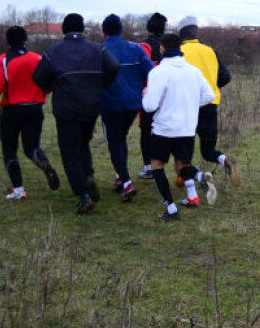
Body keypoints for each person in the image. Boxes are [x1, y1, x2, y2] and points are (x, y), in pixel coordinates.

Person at [32, 13, 120, 214]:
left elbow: (38, 77)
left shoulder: (53, 51)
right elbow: (114, 66)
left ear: (63, 29)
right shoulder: (97, 49)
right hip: (91, 106)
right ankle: (88, 175)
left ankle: (83, 195)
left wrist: (54, 85)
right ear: (83, 29)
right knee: (83, 143)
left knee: (70, 150)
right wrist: (100, 84)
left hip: (66, 108)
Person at [142, 32, 216, 220]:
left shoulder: (157, 72)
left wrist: (145, 94)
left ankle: (171, 209)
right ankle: (199, 177)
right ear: (180, 49)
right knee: (183, 166)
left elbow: (149, 106)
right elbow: (209, 96)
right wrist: (190, 104)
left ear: (162, 48)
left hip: (164, 129)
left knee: (157, 167)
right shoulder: (194, 71)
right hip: (187, 128)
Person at [0, 25, 60, 199]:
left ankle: (18, 190)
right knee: (31, 147)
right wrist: (40, 94)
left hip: (11, 110)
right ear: (26, 40)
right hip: (34, 109)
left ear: (7, 41)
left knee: (9, 150)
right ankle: (44, 164)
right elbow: (49, 83)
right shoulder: (38, 58)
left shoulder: (1, 61)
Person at [178, 16, 241, 187]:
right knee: (208, 151)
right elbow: (226, 77)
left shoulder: (178, 51)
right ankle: (224, 160)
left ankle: (185, 178)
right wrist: (212, 88)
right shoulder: (210, 51)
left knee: (183, 150)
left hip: (186, 107)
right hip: (210, 105)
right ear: (196, 32)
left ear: (181, 34)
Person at [99, 14, 154, 202]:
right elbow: (151, 73)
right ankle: (119, 176)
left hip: (109, 105)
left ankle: (127, 183)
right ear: (121, 30)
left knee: (114, 142)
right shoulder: (136, 49)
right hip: (132, 104)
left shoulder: (100, 51)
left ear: (104, 31)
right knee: (120, 138)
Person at [137, 12, 168, 180]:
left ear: (148, 27)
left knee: (146, 130)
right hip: (165, 94)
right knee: (161, 129)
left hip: (147, 93)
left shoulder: (143, 46)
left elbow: (141, 70)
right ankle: (161, 165)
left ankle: (148, 167)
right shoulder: (166, 46)